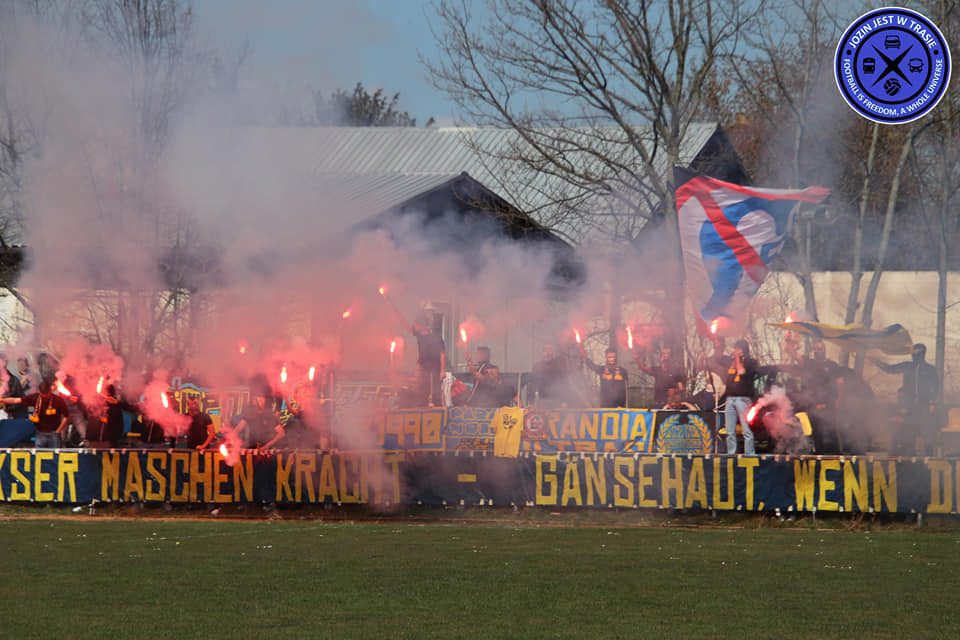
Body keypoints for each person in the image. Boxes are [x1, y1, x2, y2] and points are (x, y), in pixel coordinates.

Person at [875, 343, 940, 454]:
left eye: (917, 352)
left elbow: (936, 386)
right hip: (909, 405)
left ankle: (929, 457)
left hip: (924, 404)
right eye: (913, 352)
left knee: (927, 433)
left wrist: (933, 403)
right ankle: (910, 456)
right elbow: (890, 369)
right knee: (909, 432)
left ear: (923, 353)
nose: (914, 355)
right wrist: (876, 361)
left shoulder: (929, 369)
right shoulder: (907, 366)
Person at [713, 339, 759, 454]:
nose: (735, 350)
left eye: (738, 348)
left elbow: (742, 372)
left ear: (743, 350)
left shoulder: (750, 362)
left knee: (746, 430)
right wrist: (720, 394)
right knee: (730, 431)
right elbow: (728, 381)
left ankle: (749, 454)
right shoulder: (732, 363)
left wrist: (737, 359)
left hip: (743, 398)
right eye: (735, 348)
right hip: (730, 398)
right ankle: (731, 454)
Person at [2, 380, 70, 448]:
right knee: (39, 453)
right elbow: (16, 400)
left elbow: (66, 416)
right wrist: (2, 400)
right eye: (43, 396)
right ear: (40, 392)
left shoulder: (58, 400)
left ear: (50, 391)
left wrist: (58, 431)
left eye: (46, 396)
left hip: (54, 433)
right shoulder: (35, 398)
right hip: (40, 433)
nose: (44, 398)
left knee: (55, 453)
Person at [411, 311, 446, 407]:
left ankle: (437, 408)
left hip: (435, 368)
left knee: (436, 393)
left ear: (422, 325)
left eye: (416, 324)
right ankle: (422, 408)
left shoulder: (436, 337)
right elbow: (405, 323)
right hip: (424, 369)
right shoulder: (419, 336)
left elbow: (442, 353)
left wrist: (442, 370)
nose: (415, 326)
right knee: (422, 392)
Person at [528, 343, 570, 408]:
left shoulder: (558, 365)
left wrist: (565, 401)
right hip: (542, 400)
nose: (547, 352)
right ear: (542, 352)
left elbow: (565, 383)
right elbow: (533, 384)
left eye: (550, 349)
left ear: (553, 352)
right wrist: (532, 402)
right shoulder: (537, 366)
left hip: (557, 400)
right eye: (545, 350)